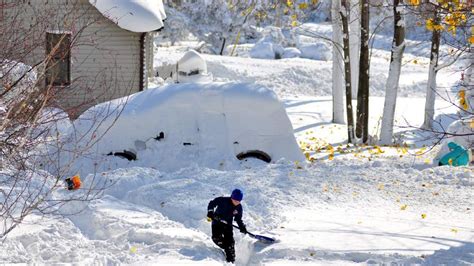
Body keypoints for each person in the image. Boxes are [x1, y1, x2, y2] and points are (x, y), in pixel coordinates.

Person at [207, 189, 247, 263]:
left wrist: (242, 226)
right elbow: (212, 203)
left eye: (239, 201)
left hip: (228, 225)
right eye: (235, 200)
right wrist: (210, 212)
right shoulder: (223, 200)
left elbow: (238, 219)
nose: (237, 202)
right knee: (216, 238)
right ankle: (226, 248)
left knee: (230, 243)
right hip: (217, 222)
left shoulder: (238, 207)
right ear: (231, 197)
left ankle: (231, 261)